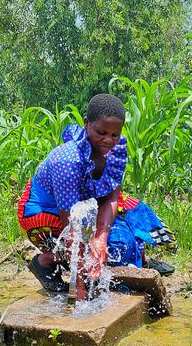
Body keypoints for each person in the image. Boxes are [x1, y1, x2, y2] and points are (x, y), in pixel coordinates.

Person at [17, 93, 176, 293]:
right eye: (101, 132)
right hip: (45, 213)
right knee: (107, 248)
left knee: (134, 211)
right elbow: (73, 229)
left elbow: (112, 196)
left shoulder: (116, 149)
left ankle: (139, 258)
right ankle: (46, 261)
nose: (108, 140)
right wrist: (81, 291)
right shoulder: (67, 161)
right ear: (86, 123)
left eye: (114, 135)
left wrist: (100, 238)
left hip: (86, 204)